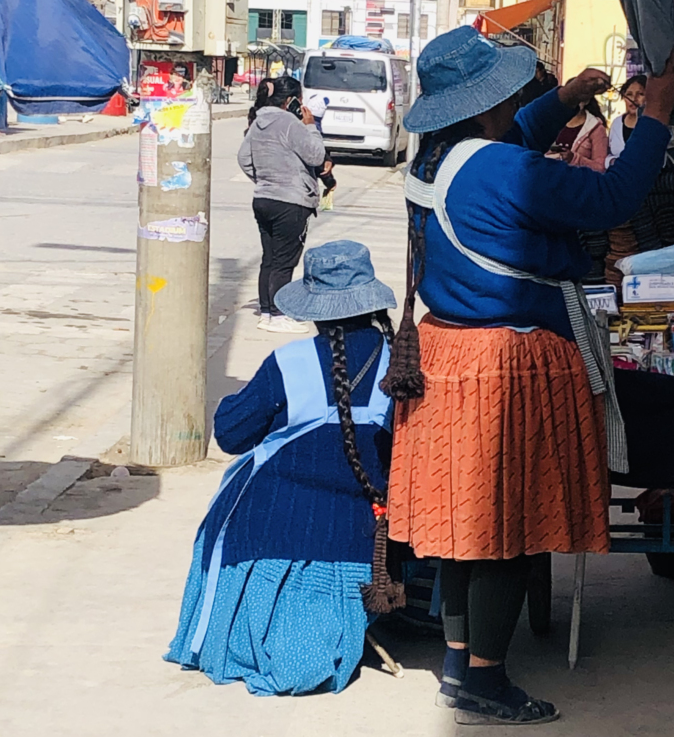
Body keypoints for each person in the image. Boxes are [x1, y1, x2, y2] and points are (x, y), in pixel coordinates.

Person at [384, 27, 674, 726]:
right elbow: (612, 198)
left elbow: (512, 133)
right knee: (506, 530)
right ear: (484, 104)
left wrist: (565, 99)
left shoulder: (437, 158)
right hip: (505, 361)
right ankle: (486, 679)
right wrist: (660, 114)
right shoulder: (502, 171)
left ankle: (462, 662)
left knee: (466, 528)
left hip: (447, 354)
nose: (516, 101)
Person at [164, 240, 400, 696]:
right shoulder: (402, 363)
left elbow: (231, 436)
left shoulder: (289, 363)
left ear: (314, 308)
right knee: (306, 652)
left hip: (268, 523)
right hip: (361, 530)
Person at [239, 76, 327, 333]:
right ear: (291, 101)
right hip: (291, 200)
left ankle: (266, 311)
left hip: (263, 198)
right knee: (285, 260)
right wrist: (311, 127)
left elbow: (243, 158)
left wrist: (264, 178)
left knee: (269, 258)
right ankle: (278, 314)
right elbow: (316, 155)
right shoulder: (290, 123)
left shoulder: (258, 122)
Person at [546, 96, 609, 172]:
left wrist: (574, 159)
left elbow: (600, 168)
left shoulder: (596, 128)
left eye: (577, 96)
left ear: (586, 100)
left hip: (578, 181)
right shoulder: (552, 122)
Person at [605, 74, 647, 168]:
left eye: (640, 94)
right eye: (629, 94)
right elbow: (607, 154)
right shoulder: (616, 123)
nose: (633, 99)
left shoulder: (651, 125)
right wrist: (612, 161)